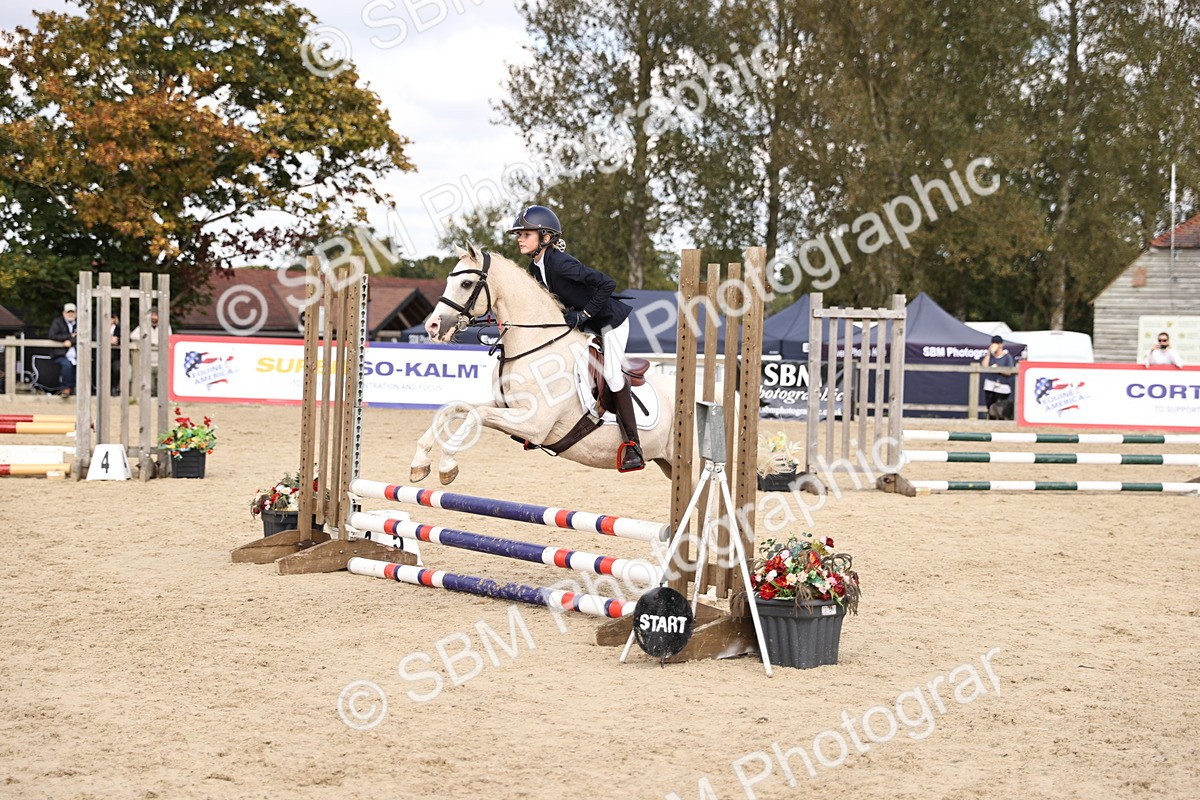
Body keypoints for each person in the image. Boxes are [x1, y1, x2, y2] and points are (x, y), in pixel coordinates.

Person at [508, 204, 645, 472]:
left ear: (546, 237)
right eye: (519, 235)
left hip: (611, 322)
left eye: (525, 234)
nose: (520, 239)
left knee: (612, 375)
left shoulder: (561, 263)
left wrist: (584, 314)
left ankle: (633, 445)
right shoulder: (535, 269)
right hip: (585, 326)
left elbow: (607, 283)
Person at [130, 308, 167, 395]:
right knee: (149, 385)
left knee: (161, 385)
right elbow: (133, 336)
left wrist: (155, 342)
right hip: (147, 361)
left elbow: (167, 338)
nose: (154, 318)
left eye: (156, 315)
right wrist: (148, 340)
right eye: (152, 315)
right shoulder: (143, 326)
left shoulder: (165, 326)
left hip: (161, 361)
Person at [980, 334, 1015, 420]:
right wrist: (988, 353)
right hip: (990, 385)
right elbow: (984, 366)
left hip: (1002, 386)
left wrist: (998, 369)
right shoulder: (991, 357)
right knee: (990, 407)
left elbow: (1009, 372)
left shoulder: (1007, 357)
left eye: (997, 344)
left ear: (1001, 345)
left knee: (1001, 408)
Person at [47, 302, 78, 396]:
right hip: (60, 354)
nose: (70, 314)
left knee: (84, 365)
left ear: (76, 313)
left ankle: (80, 390)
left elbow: (84, 336)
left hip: (77, 355)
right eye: (68, 312)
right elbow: (52, 335)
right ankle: (66, 388)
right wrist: (69, 336)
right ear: (64, 313)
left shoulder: (80, 323)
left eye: (72, 312)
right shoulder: (57, 322)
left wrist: (71, 341)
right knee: (66, 364)